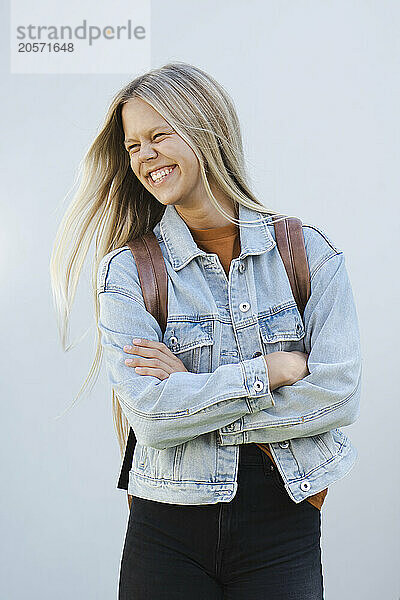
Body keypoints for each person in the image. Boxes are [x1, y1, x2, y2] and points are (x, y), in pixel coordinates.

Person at [50, 62, 362, 599]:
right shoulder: (127, 271)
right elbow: (149, 415)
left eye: (157, 136)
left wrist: (192, 393)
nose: (144, 156)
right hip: (165, 526)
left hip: (281, 522)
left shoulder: (307, 253)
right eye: (132, 146)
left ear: (205, 129)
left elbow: (338, 394)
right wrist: (267, 373)